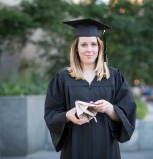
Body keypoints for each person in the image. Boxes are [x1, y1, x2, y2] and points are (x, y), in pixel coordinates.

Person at [44, 18, 136, 159]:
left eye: (93, 44)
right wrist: (68, 116)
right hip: (74, 148)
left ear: (100, 47)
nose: (89, 49)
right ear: (76, 48)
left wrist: (110, 108)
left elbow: (128, 112)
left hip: (106, 148)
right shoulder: (62, 78)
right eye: (84, 45)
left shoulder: (114, 77)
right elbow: (51, 113)